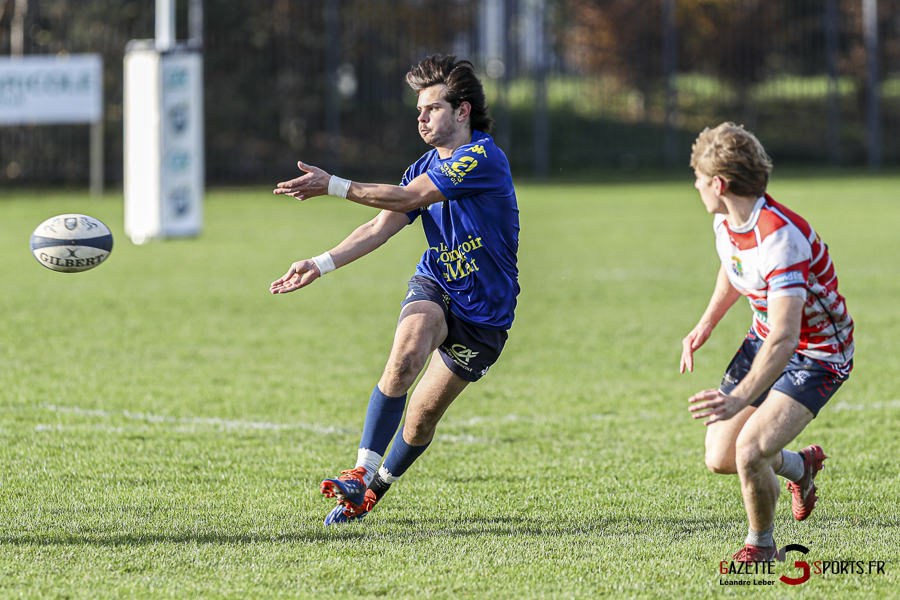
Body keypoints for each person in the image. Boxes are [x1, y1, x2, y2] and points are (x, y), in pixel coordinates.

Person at [270, 54, 519, 525]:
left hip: (486, 314)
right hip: (439, 282)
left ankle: (373, 490)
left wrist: (334, 185)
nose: (421, 118)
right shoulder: (422, 165)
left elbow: (408, 199)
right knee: (405, 357)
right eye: (418, 111)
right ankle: (359, 472)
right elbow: (381, 226)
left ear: (462, 111)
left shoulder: (482, 158)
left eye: (432, 108)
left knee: (422, 418)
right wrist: (320, 264)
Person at [680, 123, 854, 562]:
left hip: (818, 353)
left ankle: (762, 546)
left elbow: (787, 336)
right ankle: (801, 466)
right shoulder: (727, 220)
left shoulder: (780, 237)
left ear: (718, 184)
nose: (696, 186)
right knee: (721, 457)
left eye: (699, 179)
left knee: (751, 449)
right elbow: (733, 267)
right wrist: (705, 325)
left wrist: (739, 399)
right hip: (768, 337)